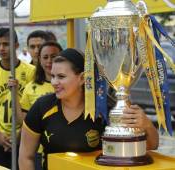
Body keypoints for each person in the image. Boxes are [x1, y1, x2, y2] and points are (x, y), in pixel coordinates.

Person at [18, 48, 159, 170]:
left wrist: (146, 125)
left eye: (61, 77)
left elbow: (151, 145)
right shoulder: (42, 107)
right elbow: (26, 156)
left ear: (82, 78)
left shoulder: (107, 109)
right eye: (53, 76)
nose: (54, 82)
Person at [0, 27, 35, 168]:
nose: (1, 48)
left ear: (16, 45)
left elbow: (33, 110)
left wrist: (19, 136)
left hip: (24, 137)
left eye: (6, 44)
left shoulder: (30, 71)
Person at [19, 41, 62, 170]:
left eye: (54, 56)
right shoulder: (30, 88)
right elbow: (25, 121)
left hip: (63, 148)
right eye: (45, 57)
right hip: (38, 151)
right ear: (39, 60)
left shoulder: (70, 86)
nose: (49, 61)